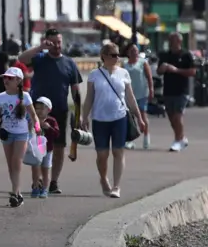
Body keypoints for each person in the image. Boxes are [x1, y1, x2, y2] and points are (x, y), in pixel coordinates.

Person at [18, 28, 82, 194]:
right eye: (53, 42)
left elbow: (76, 91)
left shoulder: (69, 63)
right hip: (38, 111)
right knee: (37, 145)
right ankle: (38, 180)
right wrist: (40, 48)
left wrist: (79, 114)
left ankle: (53, 181)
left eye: (59, 42)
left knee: (59, 146)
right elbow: (21, 59)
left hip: (60, 110)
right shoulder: (40, 59)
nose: (57, 45)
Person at [81, 43, 145, 198]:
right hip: (99, 119)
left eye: (118, 54)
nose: (117, 58)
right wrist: (84, 117)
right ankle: (104, 179)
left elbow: (130, 98)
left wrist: (139, 117)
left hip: (119, 117)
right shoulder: (95, 74)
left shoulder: (123, 73)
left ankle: (116, 186)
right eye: (113, 55)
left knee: (118, 151)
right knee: (102, 155)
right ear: (104, 56)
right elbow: (89, 98)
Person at [0, 67, 40, 208]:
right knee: (10, 165)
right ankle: (17, 193)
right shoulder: (1, 96)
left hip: (21, 133)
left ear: (19, 81)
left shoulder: (25, 96)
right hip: (6, 132)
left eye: (10, 78)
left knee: (16, 161)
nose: (6, 80)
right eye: (5, 78)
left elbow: (33, 114)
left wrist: (37, 127)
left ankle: (14, 193)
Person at [157, 33, 196, 152]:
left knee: (178, 115)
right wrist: (162, 69)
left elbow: (192, 72)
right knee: (171, 117)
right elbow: (159, 71)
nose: (170, 42)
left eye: (173, 40)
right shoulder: (165, 55)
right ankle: (182, 138)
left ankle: (177, 140)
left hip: (181, 90)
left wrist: (176, 70)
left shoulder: (186, 55)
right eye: (170, 40)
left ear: (179, 41)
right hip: (168, 90)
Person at [123, 43, 154, 149]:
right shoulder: (125, 64)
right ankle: (130, 140)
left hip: (141, 93)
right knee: (130, 117)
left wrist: (151, 89)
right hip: (129, 94)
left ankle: (146, 137)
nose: (134, 52)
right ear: (128, 53)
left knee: (142, 116)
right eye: (132, 50)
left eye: (136, 50)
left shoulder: (143, 62)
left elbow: (149, 77)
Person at [29, 97, 59, 199]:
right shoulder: (33, 119)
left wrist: (49, 127)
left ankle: (45, 189)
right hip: (35, 148)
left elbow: (57, 133)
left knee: (46, 169)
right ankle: (36, 187)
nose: (39, 111)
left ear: (48, 110)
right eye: (37, 108)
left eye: (42, 108)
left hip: (48, 149)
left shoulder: (51, 120)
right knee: (35, 169)